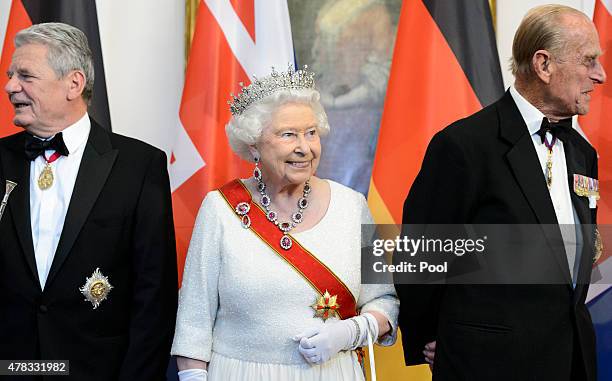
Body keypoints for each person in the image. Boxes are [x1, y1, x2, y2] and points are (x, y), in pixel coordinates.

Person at [396, 5, 606, 381]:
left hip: (573, 360)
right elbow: (419, 256)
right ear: (544, 65)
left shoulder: (582, 152)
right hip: (488, 364)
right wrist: (434, 336)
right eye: (589, 60)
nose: (600, 75)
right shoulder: (464, 146)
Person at [170, 66, 399, 381]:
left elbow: (385, 300)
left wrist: (351, 332)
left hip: (331, 374)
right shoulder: (220, 209)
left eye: (311, 132)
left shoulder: (352, 206)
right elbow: (194, 321)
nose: (304, 147)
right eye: (288, 134)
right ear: (253, 145)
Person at [0, 23, 177, 380]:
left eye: (25, 75)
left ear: (74, 83)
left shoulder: (140, 166)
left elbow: (154, 298)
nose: (10, 86)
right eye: (9, 75)